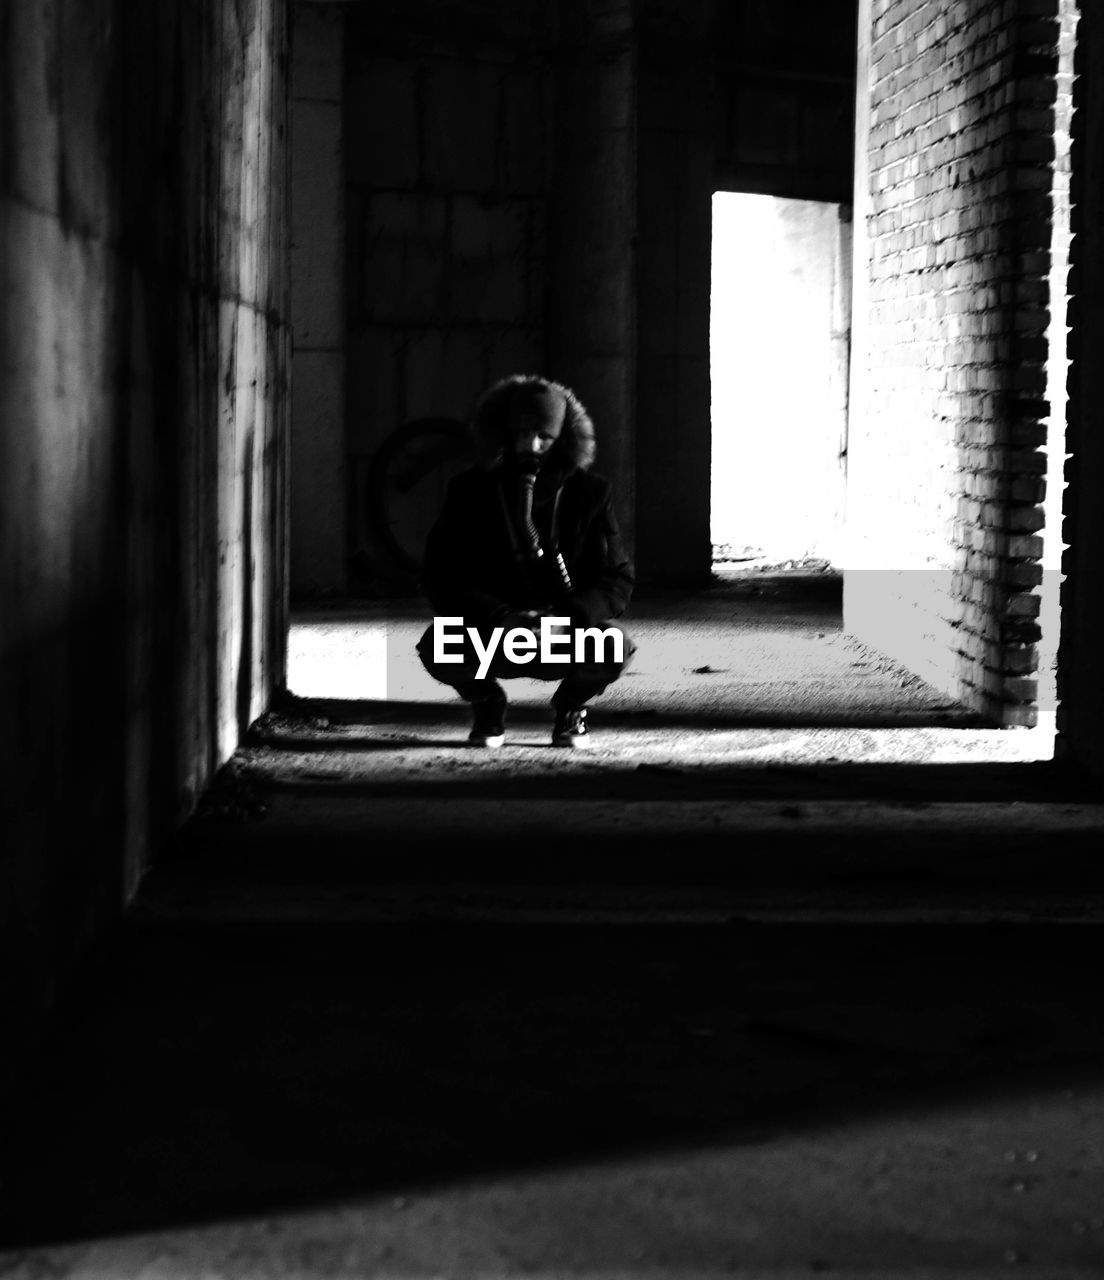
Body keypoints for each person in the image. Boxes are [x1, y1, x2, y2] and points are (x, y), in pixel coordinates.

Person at [416, 374, 635, 747]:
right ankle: (486, 703)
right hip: (494, 632)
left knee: (614, 645)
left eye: (543, 438)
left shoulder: (590, 493)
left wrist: (568, 616)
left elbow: (616, 577)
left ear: (561, 439)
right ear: (503, 432)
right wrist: (499, 615)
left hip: (564, 632)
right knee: (438, 644)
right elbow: (441, 574)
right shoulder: (470, 490)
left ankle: (570, 706)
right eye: (520, 435)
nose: (530, 447)